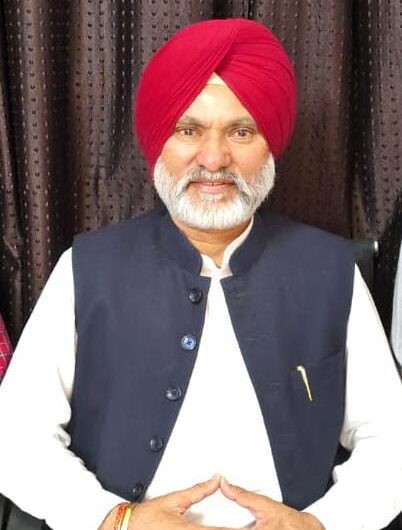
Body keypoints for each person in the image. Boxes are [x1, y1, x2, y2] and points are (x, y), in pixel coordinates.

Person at [0, 18, 401, 530]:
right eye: (188, 130)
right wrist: (115, 519)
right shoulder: (87, 267)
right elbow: (16, 436)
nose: (213, 159)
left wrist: (321, 524)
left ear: (270, 145)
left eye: (241, 131)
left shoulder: (330, 271)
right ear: (159, 142)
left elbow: (392, 440)